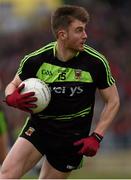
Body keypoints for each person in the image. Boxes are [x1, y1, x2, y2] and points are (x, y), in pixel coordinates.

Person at [0, 5, 120, 179]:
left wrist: (96, 136)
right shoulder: (36, 60)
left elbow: (113, 101)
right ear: (62, 34)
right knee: (6, 174)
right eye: (79, 30)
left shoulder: (96, 63)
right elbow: (12, 84)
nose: (85, 35)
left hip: (72, 138)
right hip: (39, 128)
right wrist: (11, 97)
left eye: (84, 29)